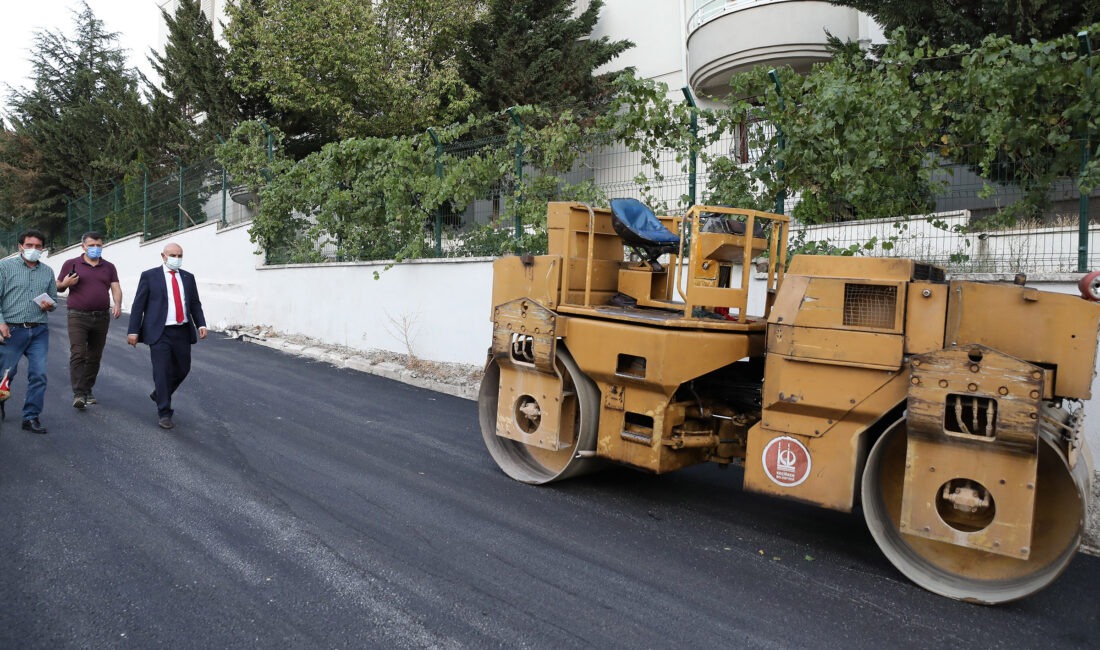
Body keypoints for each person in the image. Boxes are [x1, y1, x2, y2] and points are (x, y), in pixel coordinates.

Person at [127, 242, 207, 430]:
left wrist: (201, 323)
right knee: (161, 370)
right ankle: (164, 412)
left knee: (183, 368)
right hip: (159, 331)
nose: (176, 259)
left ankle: (160, 392)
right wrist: (133, 331)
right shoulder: (149, 276)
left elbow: (194, 303)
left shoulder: (188, 277)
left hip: (181, 330)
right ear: (163, 256)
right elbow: (139, 305)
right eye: (172, 255)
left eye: (179, 256)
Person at [0, 229, 58, 434]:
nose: (33, 249)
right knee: (6, 374)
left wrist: (48, 306)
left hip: (39, 330)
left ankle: (31, 417)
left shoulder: (47, 271)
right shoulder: (4, 267)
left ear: (43, 248)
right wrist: (1, 323)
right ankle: (1, 400)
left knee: (39, 374)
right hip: (12, 330)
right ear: (20, 246)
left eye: (38, 246)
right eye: (29, 245)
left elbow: (55, 301)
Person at [56, 231, 123, 409]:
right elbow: (58, 285)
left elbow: (115, 287)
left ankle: (87, 389)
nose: (95, 248)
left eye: (98, 245)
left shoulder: (109, 267)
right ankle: (78, 393)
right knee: (78, 353)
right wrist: (65, 284)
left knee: (95, 355)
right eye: (91, 245)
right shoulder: (71, 264)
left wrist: (117, 303)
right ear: (83, 246)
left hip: (101, 316)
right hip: (77, 315)